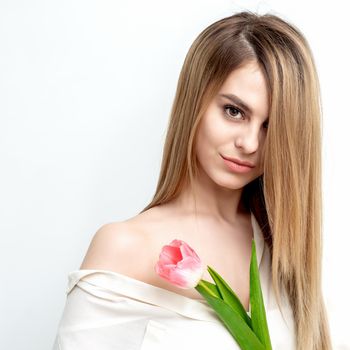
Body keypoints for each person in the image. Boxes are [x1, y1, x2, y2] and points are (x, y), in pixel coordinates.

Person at [52, 10, 333, 350]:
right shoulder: (125, 247)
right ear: (194, 99)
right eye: (234, 111)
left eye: (271, 127)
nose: (250, 144)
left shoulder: (283, 251)